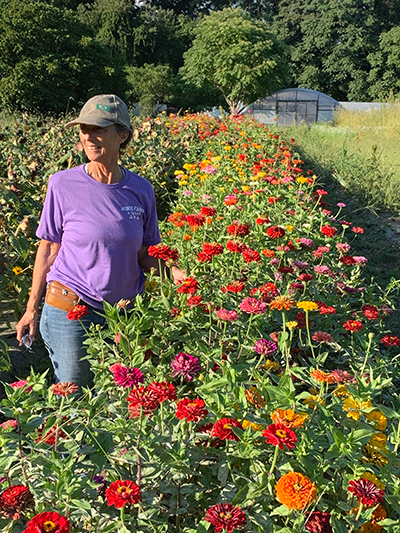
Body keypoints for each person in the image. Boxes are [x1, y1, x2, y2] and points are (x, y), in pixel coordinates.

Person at [16, 94, 186, 390]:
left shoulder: (141, 190)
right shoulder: (62, 184)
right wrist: (31, 309)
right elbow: (48, 248)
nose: (89, 137)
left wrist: (173, 273)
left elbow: (145, 252)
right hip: (72, 307)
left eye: (99, 129)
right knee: (74, 394)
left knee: (118, 394)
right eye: (84, 129)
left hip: (125, 311)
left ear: (123, 135)